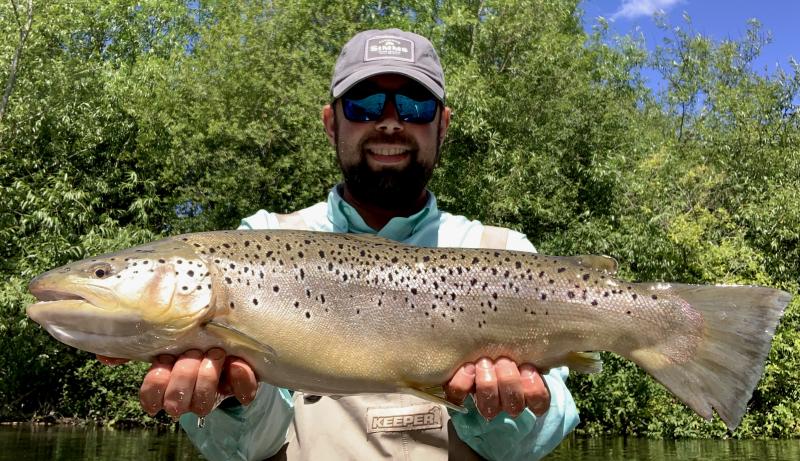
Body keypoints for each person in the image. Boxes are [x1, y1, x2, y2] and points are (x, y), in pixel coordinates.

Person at [100, 29, 579, 460]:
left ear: (443, 125)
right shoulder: (258, 238)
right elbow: (251, 450)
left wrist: (496, 411)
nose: (389, 123)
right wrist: (230, 402)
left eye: (414, 105)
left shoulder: (506, 252)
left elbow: (547, 428)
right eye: (364, 105)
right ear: (331, 123)